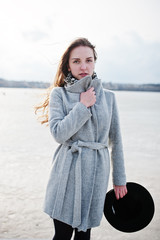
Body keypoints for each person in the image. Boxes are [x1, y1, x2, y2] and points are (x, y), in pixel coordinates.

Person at [35, 38, 127, 240]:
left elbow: (116, 141)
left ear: (95, 62)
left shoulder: (109, 98)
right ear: (68, 65)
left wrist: (119, 180)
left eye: (88, 60)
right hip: (67, 171)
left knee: (85, 235)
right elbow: (58, 134)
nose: (83, 66)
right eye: (76, 61)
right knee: (62, 234)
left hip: (96, 172)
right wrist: (82, 106)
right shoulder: (60, 94)